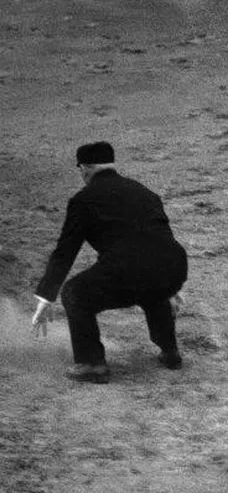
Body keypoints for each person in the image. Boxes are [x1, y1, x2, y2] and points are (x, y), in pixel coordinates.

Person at [31, 141, 188, 384]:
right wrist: (171, 286)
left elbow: (65, 252)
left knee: (75, 292)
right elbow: (160, 237)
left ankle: (92, 363)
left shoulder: (83, 200)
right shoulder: (145, 192)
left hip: (132, 269)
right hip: (175, 265)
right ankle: (170, 351)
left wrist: (45, 296)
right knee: (152, 290)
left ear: (85, 168)